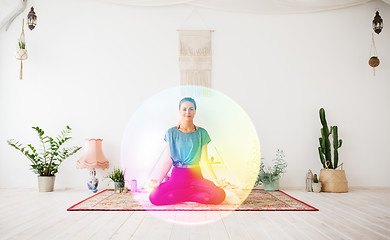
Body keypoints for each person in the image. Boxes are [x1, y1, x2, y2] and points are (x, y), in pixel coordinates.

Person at [149, 97, 226, 205]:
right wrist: (158, 180)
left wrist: (215, 179)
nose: (187, 112)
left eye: (191, 109)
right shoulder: (171, 133)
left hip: (196, 177)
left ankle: (181, 195)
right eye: (184, 109)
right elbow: (168, 159)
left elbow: (204, 160)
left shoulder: (202, 133)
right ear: (180, 111)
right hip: (177, 177)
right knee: (154, 197)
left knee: (220, 195)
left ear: (195, 111)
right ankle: (191, 194)